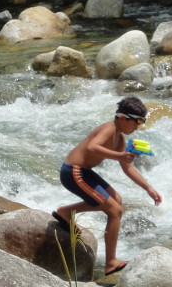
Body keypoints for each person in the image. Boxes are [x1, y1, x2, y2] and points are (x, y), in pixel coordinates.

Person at [53, 96, 163, 276]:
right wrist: (119, 156)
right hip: (73, 172)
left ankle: (65, 212)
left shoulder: (120, 140)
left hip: (84, 172)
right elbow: (91, 147)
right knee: (115, 211)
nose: (137, 127)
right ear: (122, 118)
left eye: (141, 123)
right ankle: (110, 262)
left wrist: (148, 188)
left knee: (116, 200)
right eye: (136, 122)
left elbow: (127, 168)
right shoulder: (108, 128)